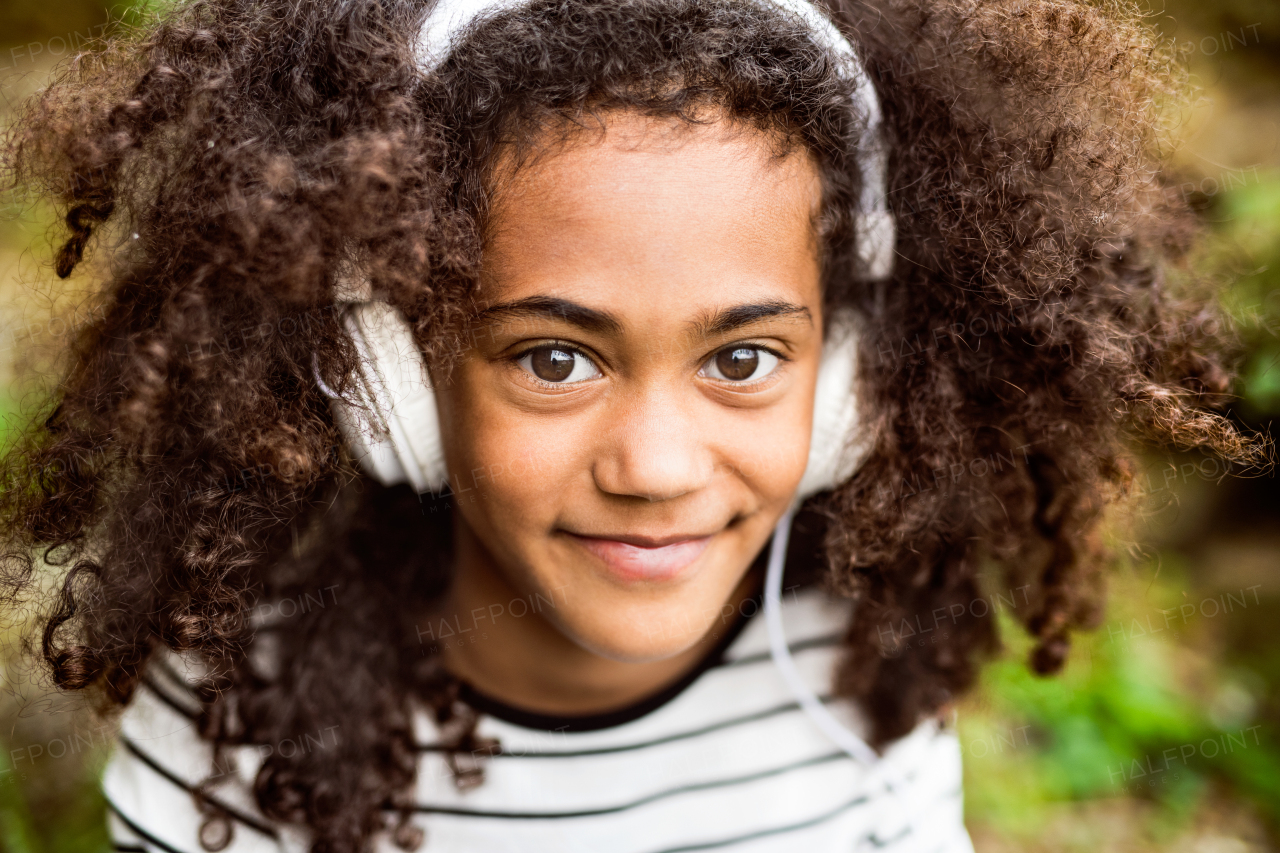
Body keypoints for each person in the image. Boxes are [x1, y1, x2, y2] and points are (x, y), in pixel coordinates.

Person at [0, 0, 1264, 850]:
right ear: (387, 375)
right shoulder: (237, 722)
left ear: (847, 385)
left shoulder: (848, 671)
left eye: (744, 357)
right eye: (555, 358)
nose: (656, 468)